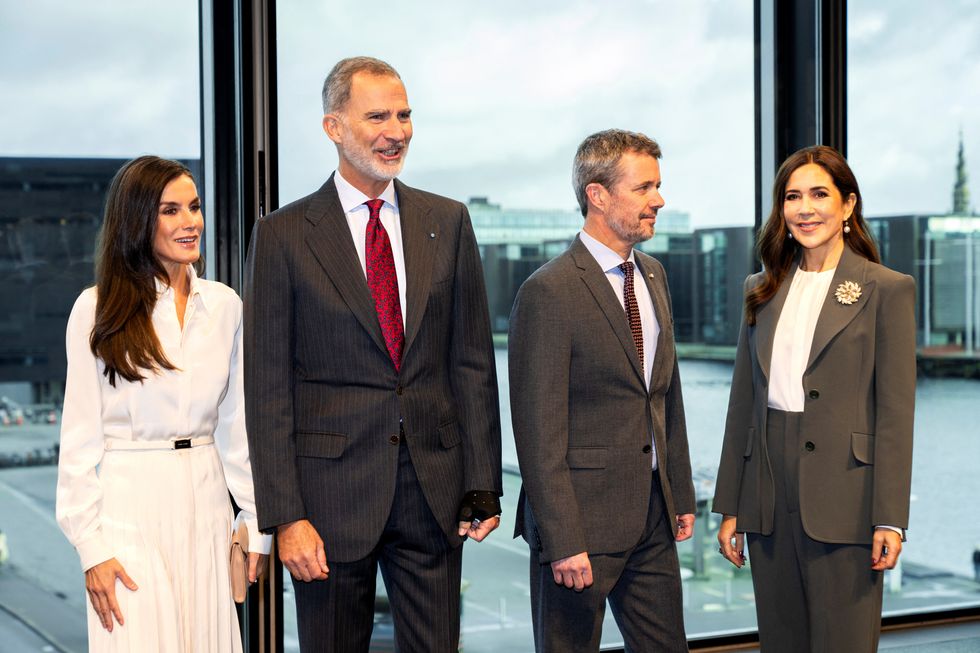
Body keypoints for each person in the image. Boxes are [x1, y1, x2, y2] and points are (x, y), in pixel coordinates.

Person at [243, 56, 502, 652]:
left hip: (433, 494)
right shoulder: (282, 236)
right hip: (328, 501)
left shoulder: (449, 220)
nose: (397, 131)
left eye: (405, 115)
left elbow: (471, 362)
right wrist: (286, 517)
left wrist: (483, 480)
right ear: (334, 127)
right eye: (378, 116)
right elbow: (267, 387)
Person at [55, 156, 271, 652]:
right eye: (170, 210)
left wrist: (256, 520)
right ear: (137, 220)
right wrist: (91, 550)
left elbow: (235, 427)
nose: (190, 221)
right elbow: (79, 438)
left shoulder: (225, 305)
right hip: (128, 508)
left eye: (193, 207)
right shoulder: (96, 307)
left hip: (208, 501)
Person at [713, 145, 915, 652]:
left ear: (848, 206)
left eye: (819, 194)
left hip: (848, 494)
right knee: (780, 642)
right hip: (768, 490)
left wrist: (889, 517)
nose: (805, 209)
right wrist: (732, 504)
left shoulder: (886, 289)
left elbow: (895, 414)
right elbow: (743, 404)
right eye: (792, 196)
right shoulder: (760, 288)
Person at [509, 129, 696, 653]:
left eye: (658, 186)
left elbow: (664, 394)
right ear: (598, 195)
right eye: (643, 188)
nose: (658, 200)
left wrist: (679, 490)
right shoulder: (548, 291)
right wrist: (563, 539)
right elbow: (537, 431)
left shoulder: (654, 274)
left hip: (654, 518)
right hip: (579, 530)